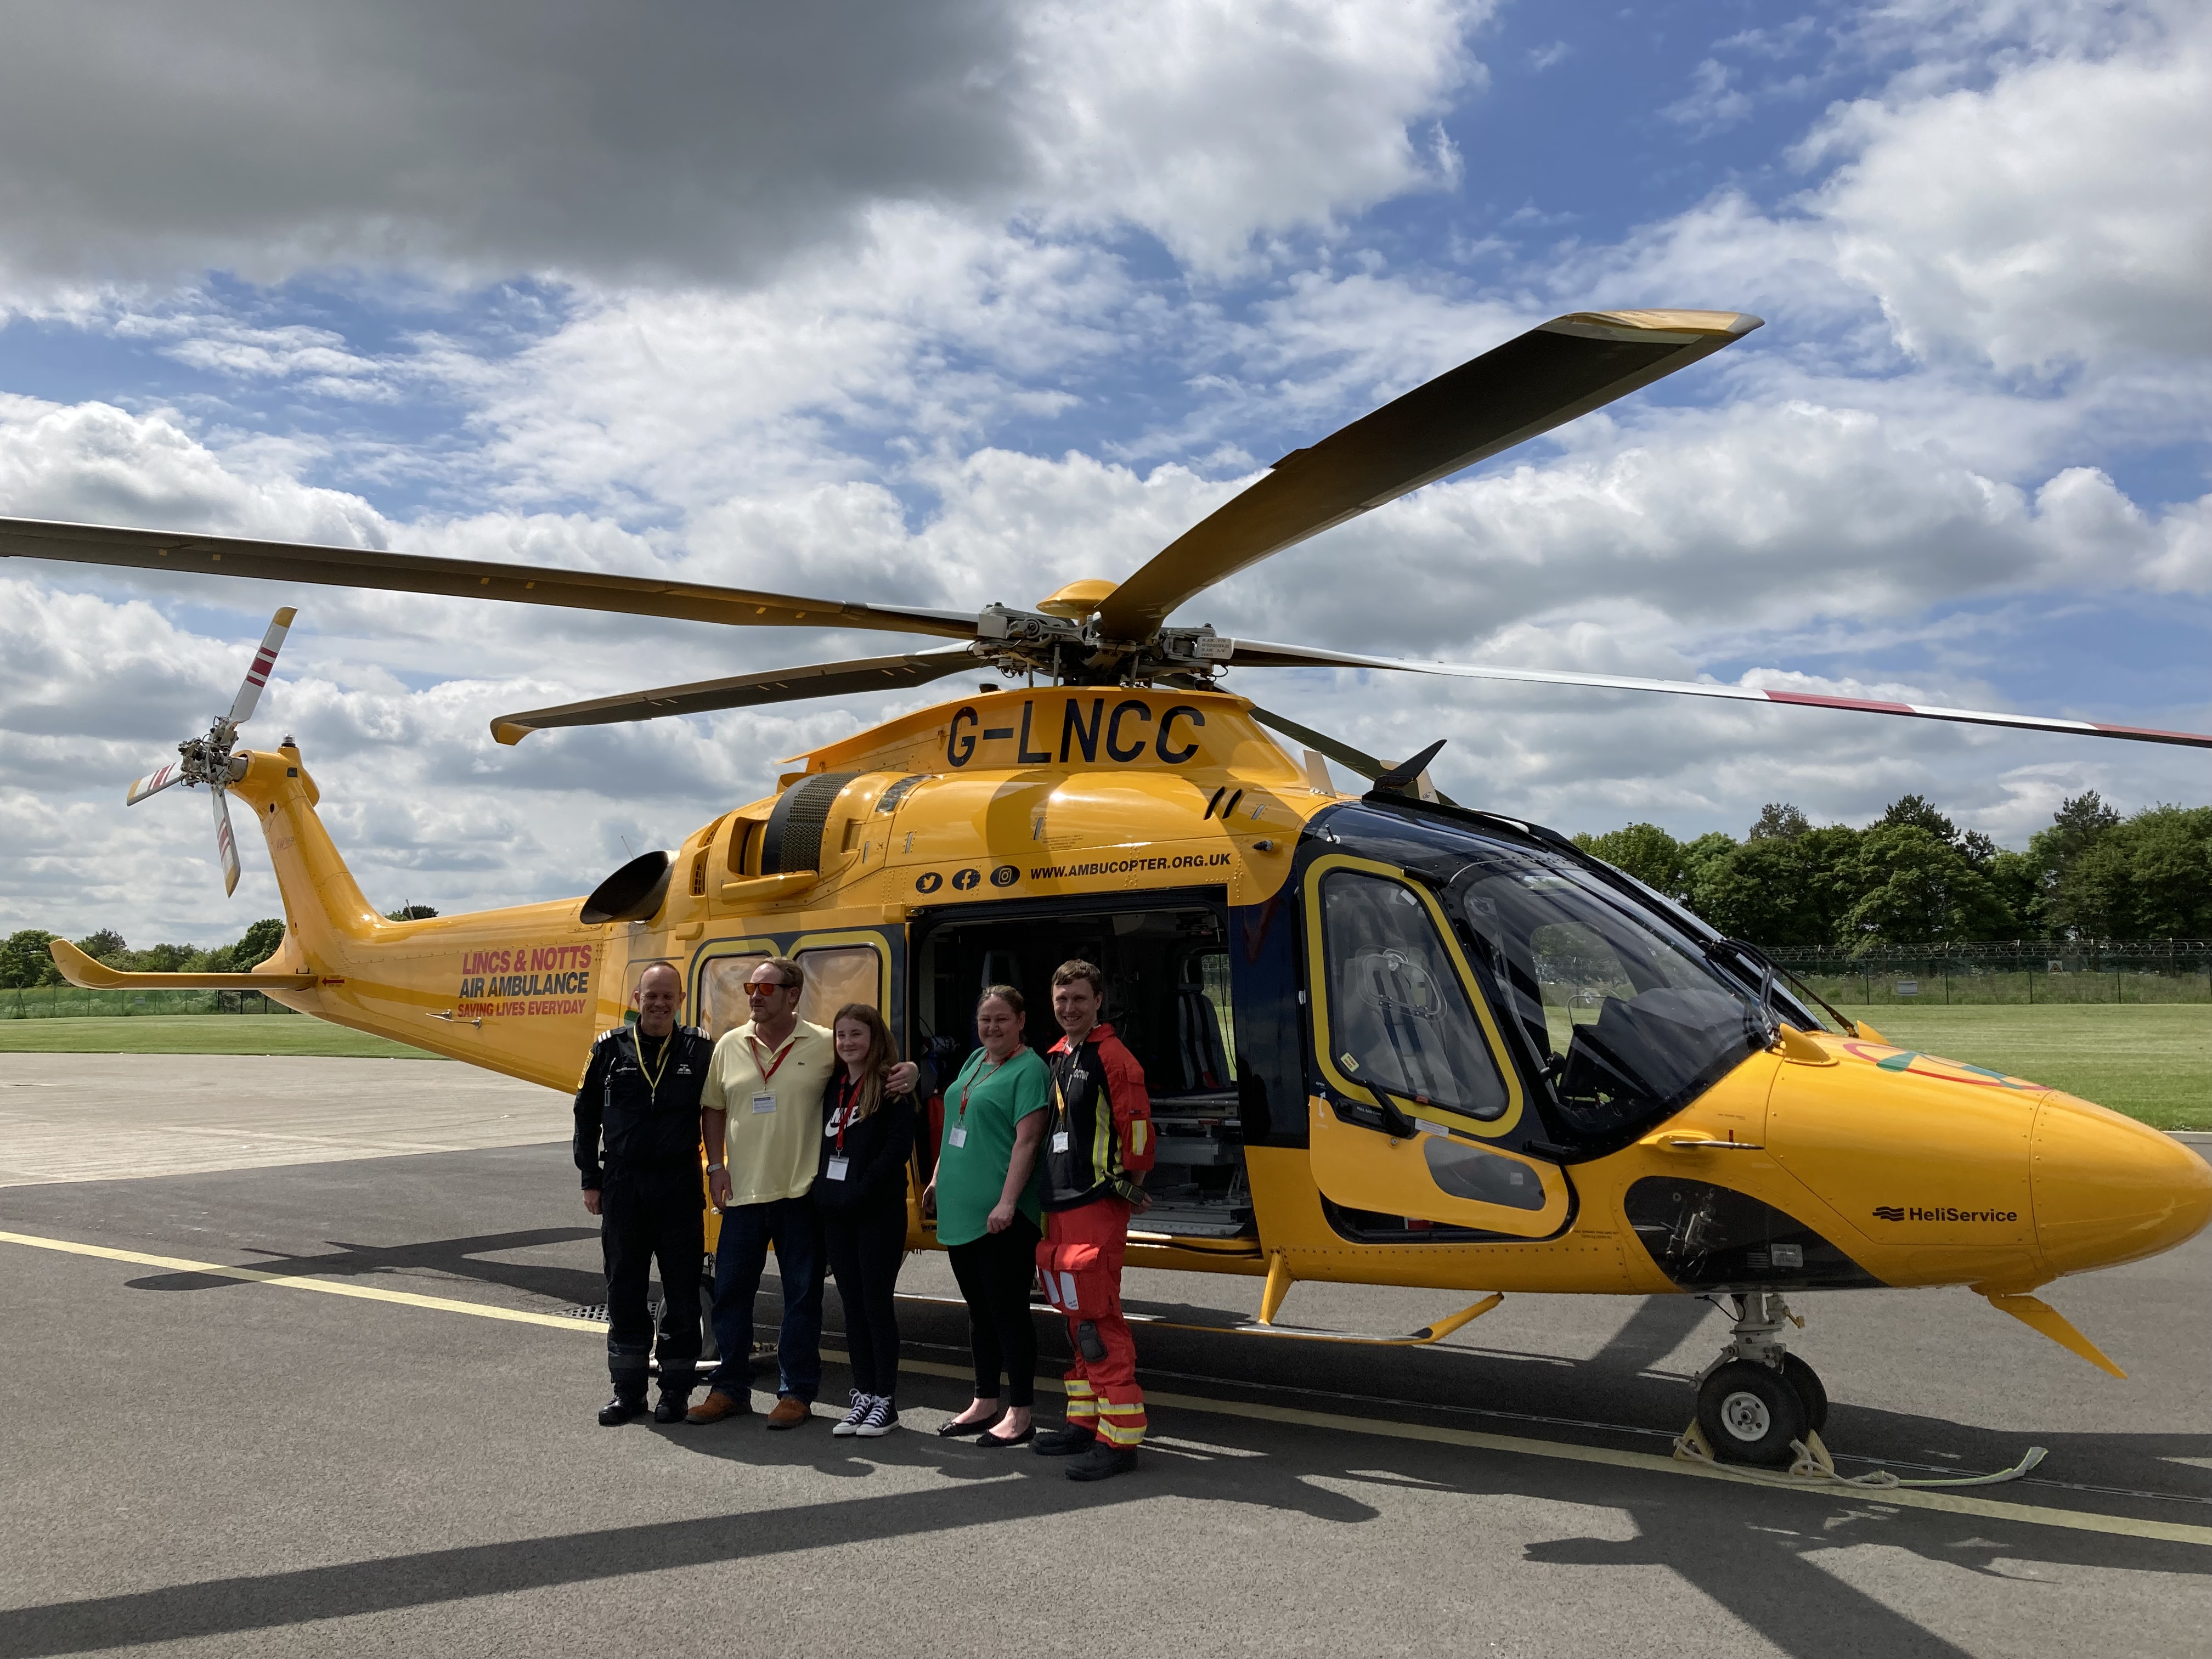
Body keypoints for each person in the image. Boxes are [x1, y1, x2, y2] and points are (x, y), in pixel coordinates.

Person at [689, 958, 917, 1429]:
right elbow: (712, 1106)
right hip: (744, 1195)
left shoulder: (823, 1044)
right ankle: (729, 1389)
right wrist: (715, 1166)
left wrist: (912, 1073)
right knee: (732, 1296)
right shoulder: (730, 1044)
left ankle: (795, 1392)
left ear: (793, 995)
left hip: (801, 1195)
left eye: (767, 987)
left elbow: (868, 1066)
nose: (755, 994)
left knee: (802, 1299)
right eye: (752, 986)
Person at [572, 961, 715, 1426]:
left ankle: (674, 1390)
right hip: (623, 1183)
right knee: (624, 1290)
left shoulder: (700, 1050)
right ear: (637, 998)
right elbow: (586, 1113)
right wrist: (589, 1177)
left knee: (682, 1291)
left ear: (680, 1001)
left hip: (677, 1184)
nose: (659, 1004)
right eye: (651, 996)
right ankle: (627, 1390)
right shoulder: (609, 1050)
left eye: (667, 997)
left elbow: (721, 1107)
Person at [1032, 959, 1155, 1480]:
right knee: (1074, 1315)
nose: (1069, 1008)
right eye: (1062, 1000)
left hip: (1095, 1200)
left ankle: (1120, 1440)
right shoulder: (1058, 1054)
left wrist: (1125, 1190)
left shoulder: (1113, 1057)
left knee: (1099, 1321)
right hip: (1059, 1201)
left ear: (1098, 1000)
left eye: (1079, 999)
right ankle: (1084, 1421)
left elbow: (1140, 1137)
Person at [923, 984, 1049, 1447]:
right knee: (979, 1311)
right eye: (985, 1020)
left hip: (1001, 1217)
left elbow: (1028, 1142)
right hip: (962, 1210)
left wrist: (1008, 1203)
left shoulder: (1030, 1070)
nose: (991, 1027)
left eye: (1001, 1019)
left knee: (1009, 1312)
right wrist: (937, 1177)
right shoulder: (976, 1061)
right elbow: (958, 1124)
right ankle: (984, 1400)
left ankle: (1020, 1411)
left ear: (1020, 1022)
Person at [817, 1003, 919, 1438]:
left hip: (876, 1212)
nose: (847, 1043)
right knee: (852, 1306)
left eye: (856, 1034)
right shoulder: (834, 1086)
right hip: (838, 1213)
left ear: (874, 1038)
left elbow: (897, 1150)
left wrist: (860, 1192)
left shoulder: (891, 1087)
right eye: (841, 1036)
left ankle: (886, 1401)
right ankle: (861, 1394)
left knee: (877, 1305)